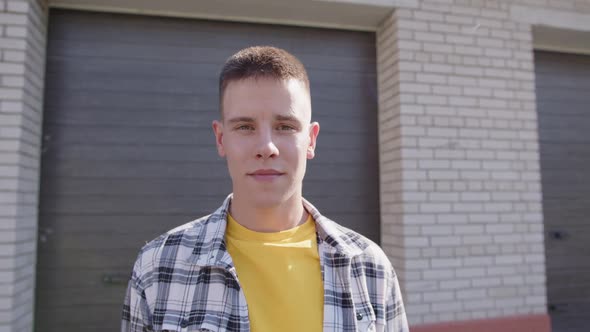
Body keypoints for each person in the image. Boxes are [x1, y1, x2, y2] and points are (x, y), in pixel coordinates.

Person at [121, 46, 409, 332]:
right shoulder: (158, 266)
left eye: (285, 126)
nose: (266, 148)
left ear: (310, 140)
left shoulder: (369, 267)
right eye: (245, 127)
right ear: (221, 139)